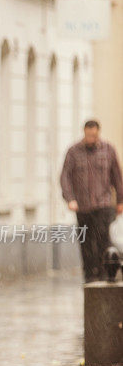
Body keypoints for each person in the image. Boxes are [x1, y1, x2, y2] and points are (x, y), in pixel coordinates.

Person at [60, 120, 123, 283]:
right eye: (88, 135)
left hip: (103, 205)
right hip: (83, 206)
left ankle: (105, 275)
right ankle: (89, 276)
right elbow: (65, 176)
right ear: (84, 133)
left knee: (104, 241)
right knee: (86, 243)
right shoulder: (73, 152)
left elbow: (117, 176)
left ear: (98, 133)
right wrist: (70, 198)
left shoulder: (108, 150)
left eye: (94, 135)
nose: (91, 138)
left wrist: (120, 201)